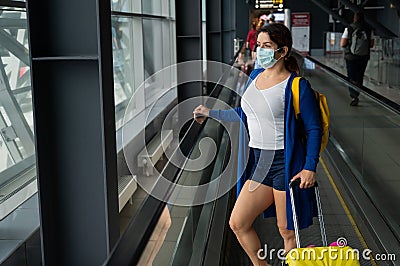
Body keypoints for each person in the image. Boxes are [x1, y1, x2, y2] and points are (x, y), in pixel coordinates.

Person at [193, 24, 322, 265]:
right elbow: (245, 113)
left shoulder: (296, 86)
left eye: (266, 46)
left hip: (286, 164)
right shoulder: (253, 77)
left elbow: (314, 129)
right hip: (259, 163)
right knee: (238, 223)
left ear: (282, 52)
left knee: (286, 231)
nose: (259, 51)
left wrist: (309, 167)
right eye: (258, 45)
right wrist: (212, 113)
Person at [340, 11, 374, 106]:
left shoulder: (349, 28)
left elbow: (342, 44)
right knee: (360, 76)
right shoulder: (368, 29)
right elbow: (371, 44)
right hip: (364, 57)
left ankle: (354, 95)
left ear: (355, 18)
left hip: (351, 57)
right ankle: (357, 93)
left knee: (351, 77)